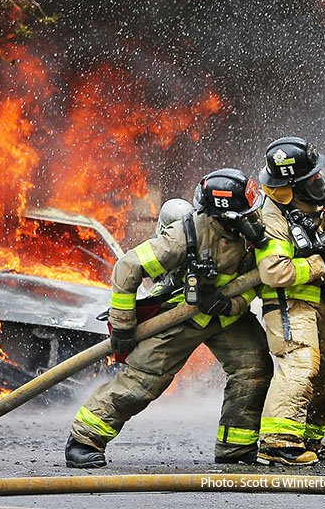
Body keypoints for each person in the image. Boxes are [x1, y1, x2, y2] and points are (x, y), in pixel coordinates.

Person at [65, 168, 273, 468]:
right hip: (181, 316)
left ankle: (236, 448)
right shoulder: (185, 235)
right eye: (245, 214)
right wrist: (122, 326)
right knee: (143, 382)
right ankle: (85, 440)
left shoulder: (254, 230)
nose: (253, 219)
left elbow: (262, 279)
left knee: (254, 368)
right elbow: (128, 267)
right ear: (223, 216)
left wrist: (232, 304)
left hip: (228, 317)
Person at [254, 136, 325, 466]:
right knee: (302, 362)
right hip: (289, 300)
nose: (319, 181)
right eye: (311, 179)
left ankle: (309, 439)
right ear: (290, 188)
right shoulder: (272, 215)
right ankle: (277, 443)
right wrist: (321, 261)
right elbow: (274, 271)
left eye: (317, 175)